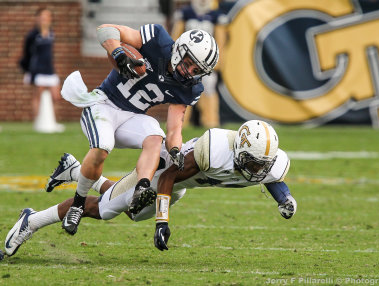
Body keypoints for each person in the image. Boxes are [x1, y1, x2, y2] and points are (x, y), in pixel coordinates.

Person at [4, 120, 297, 256]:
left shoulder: (265, 162)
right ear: (239, 150)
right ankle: (31, 220)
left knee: (130, 211)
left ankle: (74, 170)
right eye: (254, 163)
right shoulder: (212, 152)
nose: (258, 169)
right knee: (105, 210)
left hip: (180, 187)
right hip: (157, 171)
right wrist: (162, 221)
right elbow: (168, 178)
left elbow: (272, 178)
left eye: (262, 163)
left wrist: (284, 199)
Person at [56, 23, 219, 236]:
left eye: (196, 71)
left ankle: (141, 188)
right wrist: (118, 53)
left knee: (156, 138)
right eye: (189, 64)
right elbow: (105, 30)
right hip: (103, 104)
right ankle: (77, 204)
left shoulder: (190, 88)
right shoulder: (157, 40)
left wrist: (176, 151)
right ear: (179, 50)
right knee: (102, 147)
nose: (189, 72)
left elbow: (174, 131)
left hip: (133, 116)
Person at [172, 0, 228, 128]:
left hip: (206, 61)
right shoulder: (185, 13)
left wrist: (218, 62)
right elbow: (176, 37)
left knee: (209, 90)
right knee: (184, 90)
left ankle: (211, 121)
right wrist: (175, 56)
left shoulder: (216, 16)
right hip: (187, 61)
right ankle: (180, 122)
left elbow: (221, 41)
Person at [19, 8, 64, 130]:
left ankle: (53, 122)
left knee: (56, 96)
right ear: (37, 18)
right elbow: (27, 54)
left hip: (50, 70)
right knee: (37, 96)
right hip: (37, 70)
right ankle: (37, 122)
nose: (45, 20)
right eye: (43, 17)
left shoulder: (51, 33)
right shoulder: (32, 35)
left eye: (48, 17)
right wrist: (28, 71)